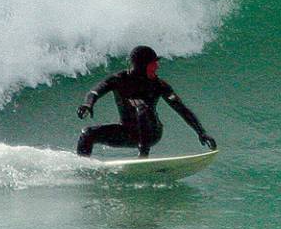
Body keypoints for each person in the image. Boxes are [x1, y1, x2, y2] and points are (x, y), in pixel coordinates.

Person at [76, 45, 216, 157]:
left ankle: (143, 155)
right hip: (127, 132)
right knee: (87, 133)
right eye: (153, 63)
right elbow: (95, 91)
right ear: (141, 66)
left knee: (141, 107)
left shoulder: (159, 85)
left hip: (152, 132)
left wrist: (201, 132)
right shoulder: (119, 80)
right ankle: (83, 166)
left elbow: (181, 109)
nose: (157, 67)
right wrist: (88, 104)